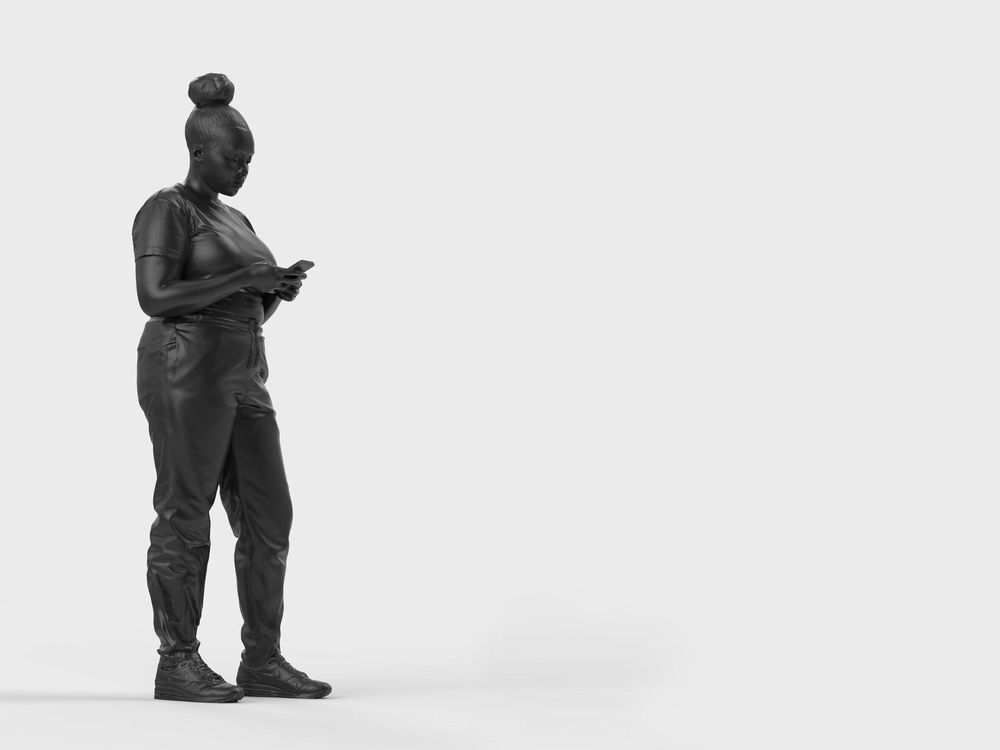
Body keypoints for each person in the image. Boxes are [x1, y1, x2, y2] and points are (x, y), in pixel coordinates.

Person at [132, 73, 331, 702]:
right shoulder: (168, 208)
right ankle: (178, 662)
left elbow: (239, 308)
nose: (243, 170)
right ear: (198, 151)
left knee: (271, 518)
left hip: (243, 371)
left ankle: (262, 660)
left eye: (248, 161)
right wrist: (248, 274)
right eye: (233, 158)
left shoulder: (235, 215)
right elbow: (155, 298)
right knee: (185, 513)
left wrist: (272, 294)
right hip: (183, 367)